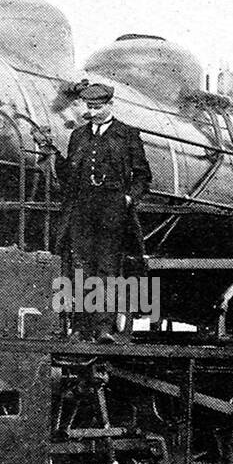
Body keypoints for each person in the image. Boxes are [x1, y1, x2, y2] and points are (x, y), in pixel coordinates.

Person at [55, 82, 153, 342]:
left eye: (97, 107)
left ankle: (103, 328)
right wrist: (51, 154)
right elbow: (68, 176)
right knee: (80, 269)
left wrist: (129, 197)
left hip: (113, 211)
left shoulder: (128, 134)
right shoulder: (79, 136)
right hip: (82, 210)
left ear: (110, 105)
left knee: (107, 269)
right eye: (89, 107)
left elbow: (143, 175)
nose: (93, 112)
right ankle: (78, 327)